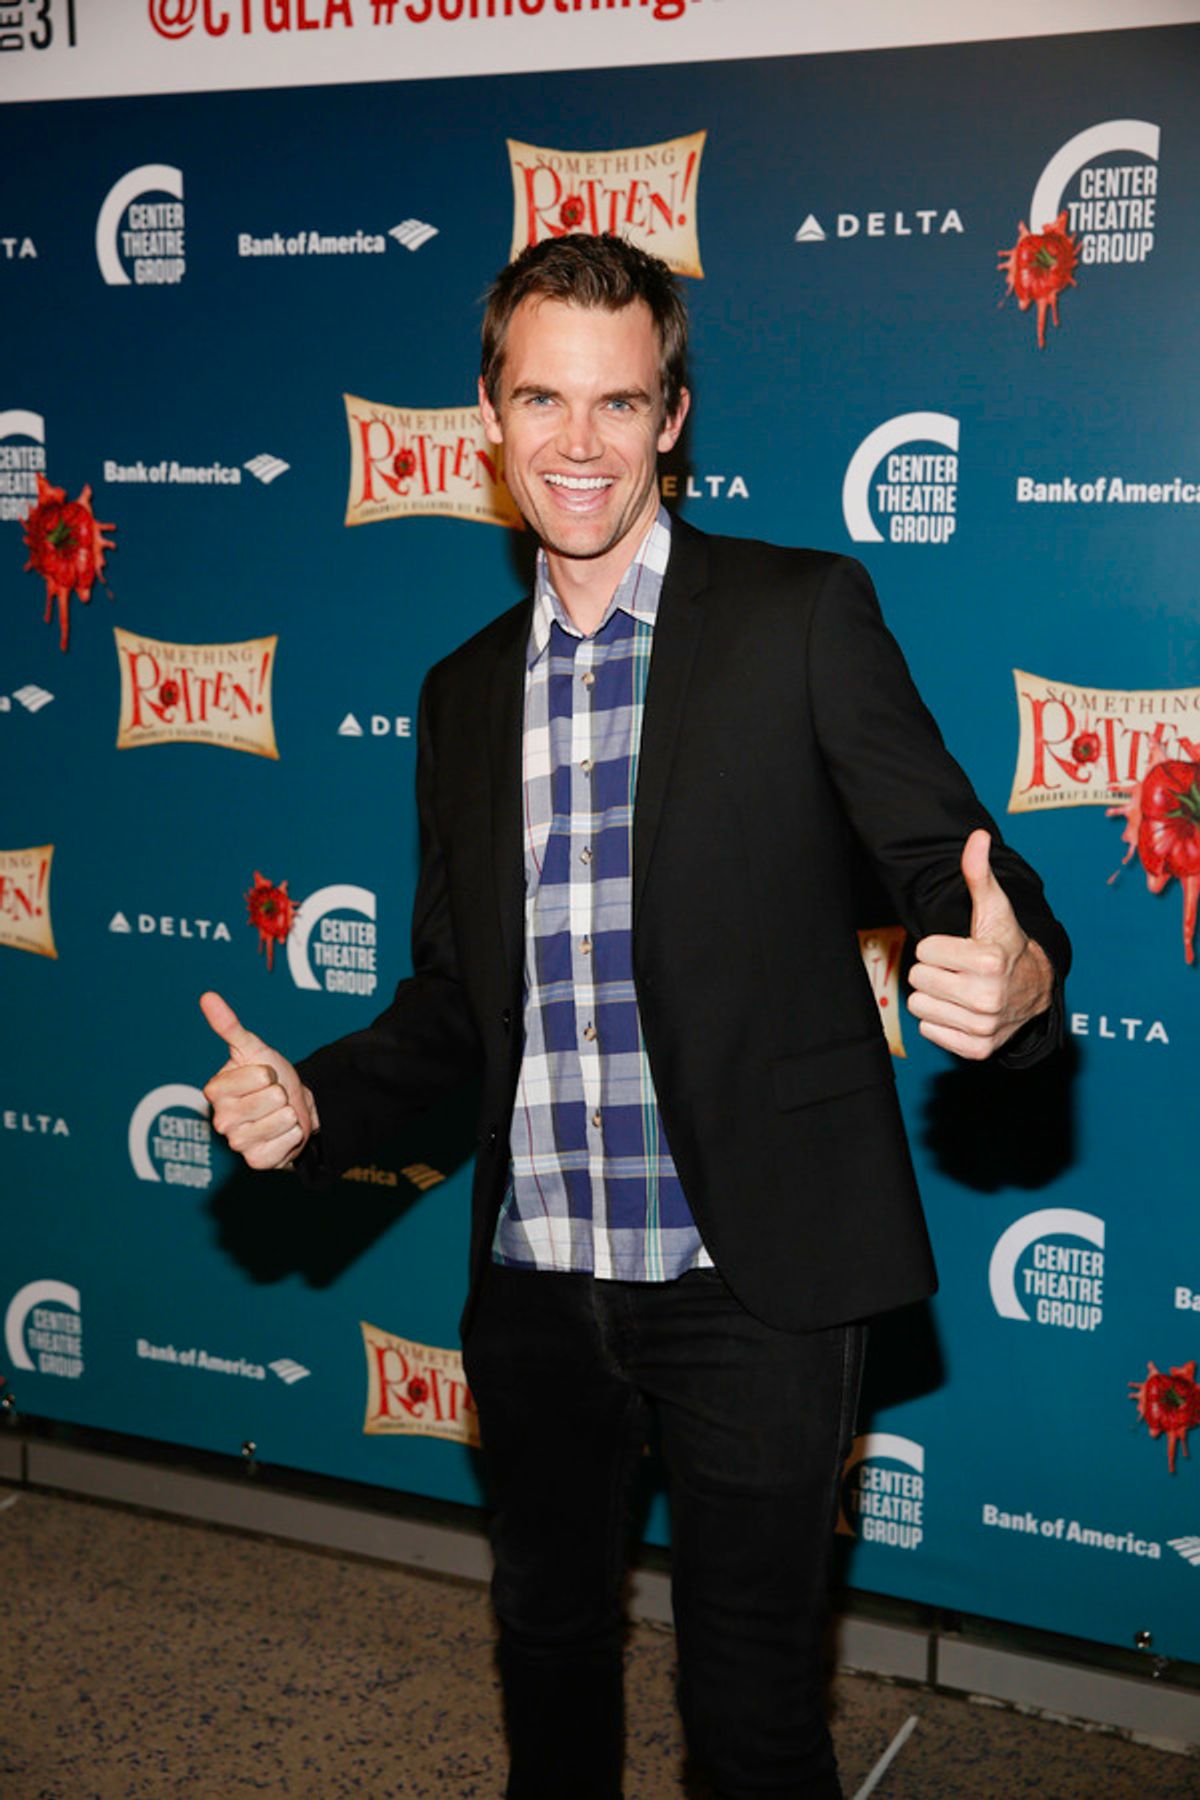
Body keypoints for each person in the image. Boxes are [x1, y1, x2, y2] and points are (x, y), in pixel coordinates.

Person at [201, 233, 1070, 1799]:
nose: (578, 445)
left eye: (619, 403)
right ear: (489, 412)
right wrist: (317, 1101)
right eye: (544, 400)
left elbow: (969, 876)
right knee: (545, 1662)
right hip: (537, 1281)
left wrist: (1016, 980)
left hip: (754, 1275)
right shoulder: (463, 689)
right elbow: (465, 1003)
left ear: (672, 415)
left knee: (749, 1717)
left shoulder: (800, 616)